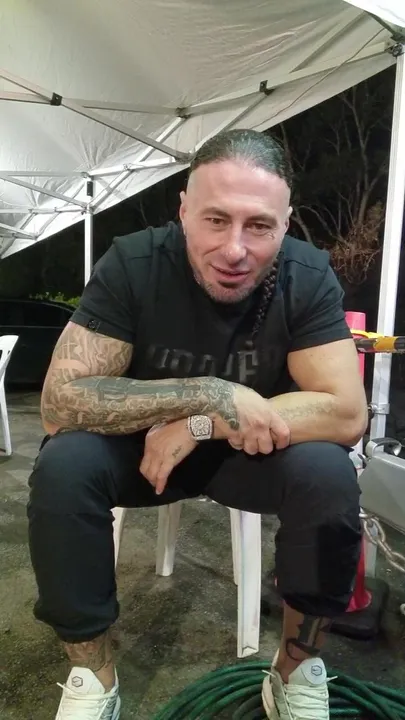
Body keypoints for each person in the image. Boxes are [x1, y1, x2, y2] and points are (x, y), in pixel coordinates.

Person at [27, 128, 368, 720]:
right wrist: (210, 392)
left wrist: (203, 421)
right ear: (184, 210)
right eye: (215, 220)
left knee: (328, 473)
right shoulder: (134, 262)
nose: (235, 249)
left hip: (248, 452)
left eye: (258, 226)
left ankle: (294, 671)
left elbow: (346, 412)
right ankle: (93, 678)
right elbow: (61, 401)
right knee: (64, 465)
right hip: (143, 454)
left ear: (285, 224)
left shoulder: (307, 274)